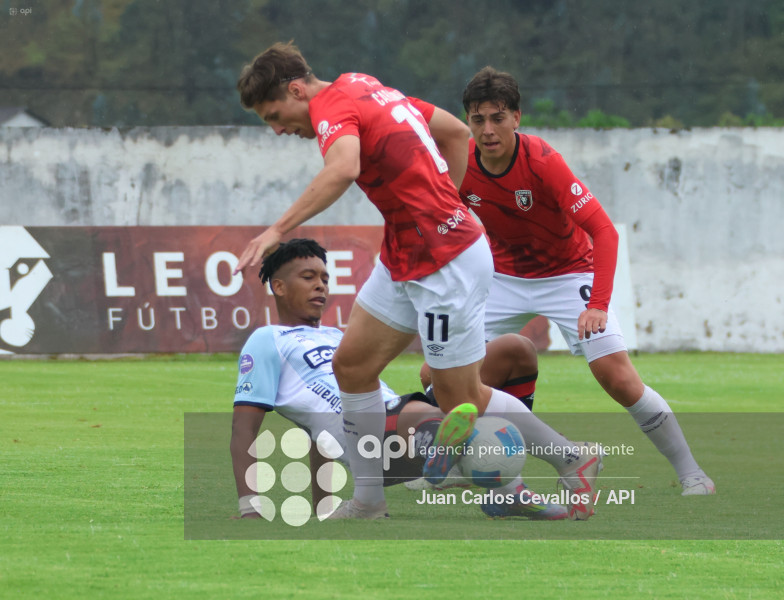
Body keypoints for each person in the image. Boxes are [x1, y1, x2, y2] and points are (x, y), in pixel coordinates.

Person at [233, 43, 601, 519]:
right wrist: (447, 196)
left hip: (446, 262)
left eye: (274, 114)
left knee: (460, 398)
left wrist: (277, 230)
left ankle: (572, 458)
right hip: (404, 253)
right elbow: (452, 130)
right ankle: (368, 501)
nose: (280, 128)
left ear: (296, 89)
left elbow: (343, 167)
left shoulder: (331, 109)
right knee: (352, 367)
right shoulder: (363, 85)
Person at [454, 66, 714, 496]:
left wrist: (598, 303)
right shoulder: (460, 164)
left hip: (568, 273)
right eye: (478, 119)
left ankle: (692, 473)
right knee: (439, 373)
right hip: (502, 277)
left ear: (517, 118)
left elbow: (604, 232)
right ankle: (448, 462)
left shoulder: (542, 162)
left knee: (618, 378)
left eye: (498, 118)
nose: (487, 130)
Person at [230, 239, 580, 521]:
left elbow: (314, 433)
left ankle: (482, 477)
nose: (320, 285)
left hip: (394, 417)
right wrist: (250, 506)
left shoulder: (338, 337)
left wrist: (323, 506)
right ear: (278, 286)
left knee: (513, 350)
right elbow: (246, 430)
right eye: (308, 277)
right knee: (430, 418)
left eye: (324, 278)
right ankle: (460, 461)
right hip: (373, 439)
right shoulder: (266, 340)